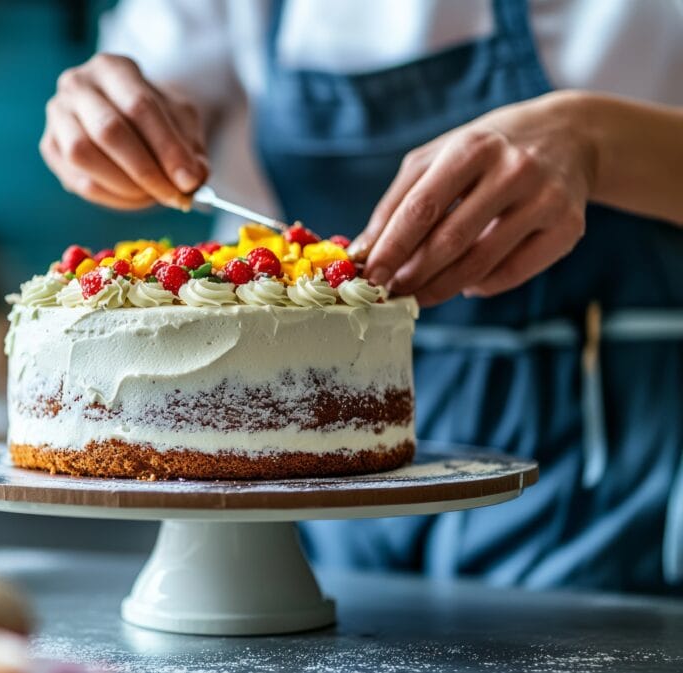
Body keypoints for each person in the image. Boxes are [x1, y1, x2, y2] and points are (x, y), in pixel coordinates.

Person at [40, 0, 683, 593]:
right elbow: (150, 91)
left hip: (621, 463)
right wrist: (106, 122)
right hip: (297, 499)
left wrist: (595, 139)